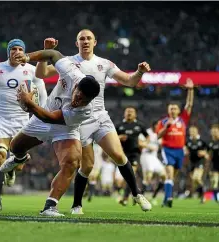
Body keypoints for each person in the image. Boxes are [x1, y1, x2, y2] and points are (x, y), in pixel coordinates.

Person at [34, 30, 152, 214]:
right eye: (82, 38)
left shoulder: (104, 64)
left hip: (100, 117)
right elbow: (42, 74)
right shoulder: (69, 62)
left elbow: (129, 81)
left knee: (119, 156)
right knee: (87, 166)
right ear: (77, 43)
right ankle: (77, 205)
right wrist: (45, 53)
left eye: (89, 38)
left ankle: (137, 194)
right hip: (80, 120)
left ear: (95, 42)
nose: (85, 41)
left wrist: (139, 72)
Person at [0, 48, 102, 217]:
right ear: (76, 85)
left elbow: (51, 118)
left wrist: (29, 103)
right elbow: (52, 54)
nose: (78, 101)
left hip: (63, 126)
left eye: (84, 101)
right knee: (15, 147)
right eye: (78, 96)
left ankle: (50, 206)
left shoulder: (85, 111)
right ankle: (19, 158)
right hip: (42, 116)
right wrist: (27, 57)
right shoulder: (71, 73)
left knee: (71, 162)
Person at [0, 39, 47, 211]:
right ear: (9, 52)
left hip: (23, 121)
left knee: (19, 163)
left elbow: (42, 93)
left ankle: (12, 166)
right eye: (14, 49)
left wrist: (42, 114)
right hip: (0, 121)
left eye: (20, 49)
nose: (17, 51)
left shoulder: (31, 70)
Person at [156, 78, 194, 207]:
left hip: (179, 151)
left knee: (172, 176)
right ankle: (170, 198)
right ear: (168, 111)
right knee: (169, 174)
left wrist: (191, 90)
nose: (172, 110)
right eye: (170, 109)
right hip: (168, 150)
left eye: (175, 109)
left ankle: (166, 199)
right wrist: (166, 128)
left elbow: (189, 104)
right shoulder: (163, 122)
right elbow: (158, 136)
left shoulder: (183, 119)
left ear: (178, 111)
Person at [115, 107, 150, 206]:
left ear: (135, 114)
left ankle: (125, 198)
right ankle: (136, 194)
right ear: (124, 114)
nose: (129, 113)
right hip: (122, 154)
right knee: (126, 177)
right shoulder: (119, 126)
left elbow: (147, 136)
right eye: (127, 112)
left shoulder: (139, 125)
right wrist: (119, 137)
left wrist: (144, 143)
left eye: (131, 112)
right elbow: (111, 138)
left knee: (131, 174)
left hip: (135, 153)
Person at [139, 121, 166, 205]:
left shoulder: (159, 135)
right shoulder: (146, 132)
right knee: (148, 176)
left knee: (164, 176)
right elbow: (139, 143)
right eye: (157, 126)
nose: (158, 127)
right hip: (146, 156)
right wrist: (148, 146)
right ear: (153, 126)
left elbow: (161, 145)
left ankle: (153, 196)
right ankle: (140, 197)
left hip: (154, 158)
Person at [185, 125, 207, 202]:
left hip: (200, 162)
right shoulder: (188, 142)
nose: (192, 133)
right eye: (191, 131)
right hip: (191, 163)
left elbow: (207, 151)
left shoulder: (202, 141)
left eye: (193, 131)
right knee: (194, 181)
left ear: (197, 132)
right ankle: (202, 194)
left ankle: (203, 194)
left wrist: (204, 152)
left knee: (196, 178)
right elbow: (185, 150)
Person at [207, 124, 219, 203]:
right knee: (214, 182)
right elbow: (209, 155)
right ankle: (216, 198)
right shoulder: (210, 143)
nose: (214, 133)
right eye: (213, 132)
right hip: (214, 165)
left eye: (216, 132)